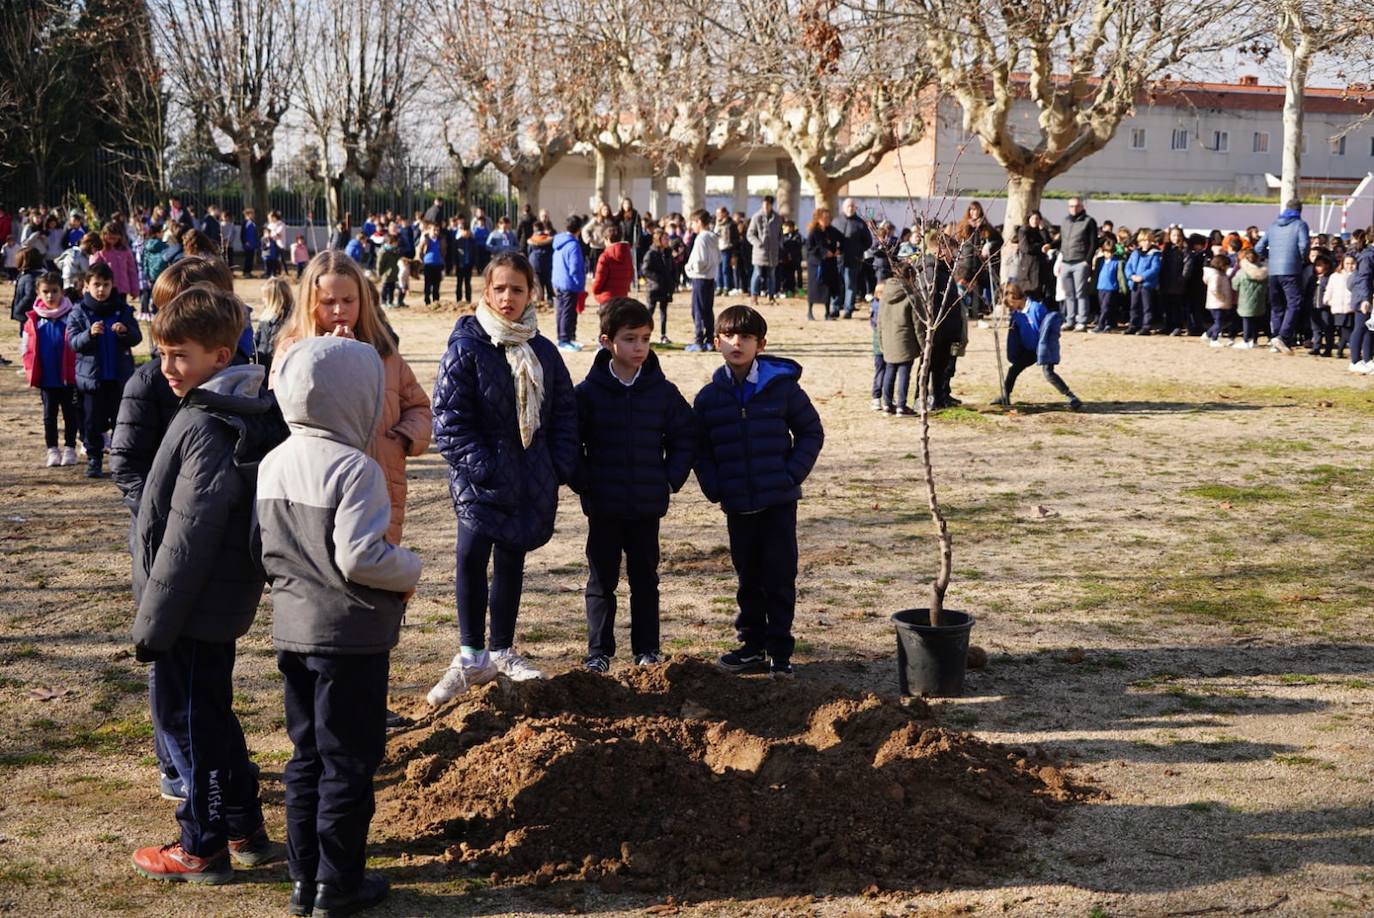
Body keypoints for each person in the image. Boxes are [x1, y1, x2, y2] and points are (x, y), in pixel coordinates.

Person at [128, 285, 288, 885]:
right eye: (161, 354)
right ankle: (244, 826)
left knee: (192, 723)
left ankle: (202, 843)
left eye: (179, 355)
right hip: (208, 605)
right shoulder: (232, 407)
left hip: (191, 609)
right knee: (212, 716)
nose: (166, 368)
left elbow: (188, 536)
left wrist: (155, 623)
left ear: (221, 357)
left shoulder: (208, 422)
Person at [257, 336, 421, 918]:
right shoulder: (357, 470)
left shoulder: (273, 461)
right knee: (349, 759)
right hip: (350, 636)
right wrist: (411, 567)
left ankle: (304, 878)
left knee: (305, 756)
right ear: (359, 399)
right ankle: (339, 882)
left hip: (292, 631)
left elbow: (265, 549)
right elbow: (361, 558)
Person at [426, 252, 578, 704]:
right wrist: (484, 468)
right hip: (481, 478)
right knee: (471, 556)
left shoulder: (544, 352)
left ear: (531, 293)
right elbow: (450, 419)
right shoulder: (467, 347)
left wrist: (556, 467)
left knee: (512, 560)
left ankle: (503, 650)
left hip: (529, 478)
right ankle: (471, 656)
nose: (508, 298)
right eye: (500, 289)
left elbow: (565, 413)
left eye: (517, 289)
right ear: (485, 293)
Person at [693, 305, 824, 680]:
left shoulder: (782, 389)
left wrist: (790, 474)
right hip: (737, 503)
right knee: (748, 577)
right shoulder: (708, 399)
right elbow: (700, 448)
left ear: (760, 344)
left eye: (747, 337)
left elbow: (811, 432)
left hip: (778, 502)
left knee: (780, 576)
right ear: (716, 342)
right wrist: (714, 485)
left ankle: (780, 652)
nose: (738, 343)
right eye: (730, 336)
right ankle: (752, 646)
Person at [271, 252, 432, 546]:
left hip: (381, 482)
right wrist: (334, 357)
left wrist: (400, 440)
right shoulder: (292, 351)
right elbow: (282, 412)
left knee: (377, 576)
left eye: (348, 301)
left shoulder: (384, 351)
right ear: (310, 303)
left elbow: (419, 407)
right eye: (328, 302)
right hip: (316, 489)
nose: (338, 310)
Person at [571, 298, 695, 672]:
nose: (639, 348)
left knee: (645, 579)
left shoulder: (662, 392)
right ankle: (599, 652)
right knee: (601, 580)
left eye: (645, 339)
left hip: (645, 505)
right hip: (604, 505)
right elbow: (569, 442)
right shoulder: (587, 394)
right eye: (629, 339)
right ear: (607, 341)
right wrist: (584, 482)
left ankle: (647, 650)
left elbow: (685, 436)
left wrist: (669, 479)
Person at [66, 262, 140, 478]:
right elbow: (73, 342)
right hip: (92, 381)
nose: (101, 289)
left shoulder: (122, 309)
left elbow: (136, 338)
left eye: (105, 284)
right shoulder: (79, 312)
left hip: (118, 378)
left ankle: (120, 461)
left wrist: (125, 331)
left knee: (121, 422)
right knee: (92, 423)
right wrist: (89, 334)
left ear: (112, 285)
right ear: (86, 286)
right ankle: (94, 458)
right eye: (96, 284)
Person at [21, 272, 80, 466]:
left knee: (70, 414)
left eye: (54, 291)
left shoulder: (72, 315)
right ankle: (52, 450)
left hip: (68, 376)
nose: (50, 296)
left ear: (62, 291)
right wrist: (29, 369)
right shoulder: (34, 319)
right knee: (49, 415)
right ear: (38, 292)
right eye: (45, 292)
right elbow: (27, 347)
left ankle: (70, 448)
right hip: (47, 377)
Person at [993, 282, 1082, 410]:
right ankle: (1005, 395)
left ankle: (1072, 397)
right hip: (1029, 350)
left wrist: (1047, 348)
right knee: (1013, 370)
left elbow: (1048, 328)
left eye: (1011, 304)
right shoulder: (1017, 314)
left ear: (1014, 297)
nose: (1011, 308)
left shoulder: (1036, 309)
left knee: (1049, 373)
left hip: (1043, 348)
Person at [1254, 199, 1311, 354]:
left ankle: (1275, 338)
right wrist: (1300, 259)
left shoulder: (1273, 226)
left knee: (1277, 305)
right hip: (1291, 270)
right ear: (1300, 210)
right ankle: (1283, 337)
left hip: (1273, 271)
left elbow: (1258, 247)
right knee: (1294, 304)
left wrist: (1271, 257)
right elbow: (1304, 245)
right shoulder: (1300, 225)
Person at [877, 271, 917, 416]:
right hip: (905, 340)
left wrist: (881, 340)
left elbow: (879, 321)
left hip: (888, 339)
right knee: (904, 373)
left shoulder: (883, 296)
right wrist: (923, 344)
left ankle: (887, 404)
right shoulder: (911, 297)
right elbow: (917, 323)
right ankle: (901, 405)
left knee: (889, 370)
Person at [1058, 197, 1098, 330]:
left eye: (1076, 206)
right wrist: (1050, 246)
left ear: (1082, 207)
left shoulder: (1089, 221)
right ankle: (1069, 320)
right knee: (1068, 293)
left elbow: (1093, 243)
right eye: (1071, 206)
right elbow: (1061, 240)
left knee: (1081, 293)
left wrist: (1087, 261)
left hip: (1080, 262)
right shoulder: (1065, 221)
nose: (1073, 209)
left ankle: (1082, 321)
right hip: (1065, 261)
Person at [684, 209, 720, 352]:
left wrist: (689, 268)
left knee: (697, 310)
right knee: (707, 310)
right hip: (710, 277)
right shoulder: (713, 237)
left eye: (693, 222)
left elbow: (699, 261)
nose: (691, 226)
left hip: (700, 277)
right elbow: (718, 258)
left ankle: (698, 341)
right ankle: (710, 340)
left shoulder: (701, 238)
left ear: (699, 222)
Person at [552, 215, 587, 351]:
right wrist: (580, 284)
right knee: (567, 312)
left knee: (561, 311)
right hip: (569, 283)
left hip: (558, 281)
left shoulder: (558, 241)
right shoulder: (573, 245)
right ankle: (564, 340)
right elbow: (575, 267)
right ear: (579, 229)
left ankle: (563, 337)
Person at [804, 207, 841, 320]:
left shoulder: (832, 231)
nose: (827, 220)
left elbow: (843, 240)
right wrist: (824, 253)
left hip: (830, 264)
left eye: (828, 218)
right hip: (816, 264)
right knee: (813, 288)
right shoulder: (814, 232)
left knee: (828, 289)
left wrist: (838, 250)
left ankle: (827, 313)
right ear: (819, 218)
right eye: (824, 218)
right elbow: (809, 248)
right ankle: (810, 311)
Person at [838, 199, 872, 317]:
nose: (850, 208)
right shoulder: (837, 221)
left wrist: (858, 249)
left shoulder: (860, 223)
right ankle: (835, 307)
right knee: (837, 284)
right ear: (843, 208)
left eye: (852, 206)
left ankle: (848, 309)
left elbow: (868, 241)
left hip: (853, 259)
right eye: (848, 206)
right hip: (838, 259)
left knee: (850, 285)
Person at [640, 229, 675, 344]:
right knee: (649, 312)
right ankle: (643, 334)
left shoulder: (668, 252)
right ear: (658, 240)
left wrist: (672, 281)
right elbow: (645, 269)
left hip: (666, 287)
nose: (667, 241)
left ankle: (663, 335)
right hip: (654, 287)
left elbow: (672, 268)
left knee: (664, 312)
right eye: (665, 239)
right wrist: (657, 278)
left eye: (667, 238)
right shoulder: (651, 253)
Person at [253, 277, 294, 374]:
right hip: (262, 362)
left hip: (278, 365)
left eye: (265, 297)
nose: (263, 300)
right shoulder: (266, 317)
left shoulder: (288, 319)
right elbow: (257, 339)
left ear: (274, 298)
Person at [746, 195, 782, 307]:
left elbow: (780, 233)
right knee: (757, 274)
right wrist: (758, 244)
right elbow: (750, 234)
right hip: (760, 252)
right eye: (764, 204)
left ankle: (771, 296)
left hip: (773, 252)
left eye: (768, 204)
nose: (766, 206)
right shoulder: (756, 217)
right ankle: (754, 296)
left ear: (772, 205)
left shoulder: (777, 218)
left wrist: (779, 243)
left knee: (772, 275)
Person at [1124, 229, 1162, 335]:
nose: (1146, 243)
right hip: (1134, 283)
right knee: (1134, 306)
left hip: (1146, 284)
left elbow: (1155, 268)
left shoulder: (1155, 254)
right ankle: (1133, 325)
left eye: (1149, 240)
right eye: (1144, 240)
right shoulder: (1135, 253)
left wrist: (1143, 276)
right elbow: (1128, 266)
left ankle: (1146, 326)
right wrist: (1131, 276)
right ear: (1139, 242)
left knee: (1147, 306)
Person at [91, 221, 140, 300]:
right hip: (106, 289)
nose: (112, 240)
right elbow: (93, 271)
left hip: (122, 289)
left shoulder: (125, 251)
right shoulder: (100, 252)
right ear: (104, 235)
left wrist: (134, 290)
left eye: (115, 238)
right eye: (110, 237)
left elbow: (132, 271)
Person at [590, 221, 634, 306]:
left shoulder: (605, 256)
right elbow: (631, 274)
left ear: (607, 239)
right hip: (622, 296)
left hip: (607, 298)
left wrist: (594, 288)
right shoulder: (627, 255)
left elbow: (599, 279)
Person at [1233, 248, 1268, 351]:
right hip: (1260, 300)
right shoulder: (1264, 272)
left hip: (1245, 300)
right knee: (1256, 320)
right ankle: (1254, 340)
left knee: (1247, 320)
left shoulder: (1242, 272)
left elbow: (1235, 285)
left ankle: (1246, 340)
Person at [1325, 252, 1356, 360]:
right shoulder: (1335, 276)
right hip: (1338, 307)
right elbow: (1330, 289)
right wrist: (1327, 300)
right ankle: (1350, 350)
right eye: (1347, 263)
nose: (1349, 266)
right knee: (1345, 330)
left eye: (1352, 263)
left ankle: (1340, 350)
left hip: (1350, 307)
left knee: (1347, 330)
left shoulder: (1356, 276)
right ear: (1342, 263)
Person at [1091, 238, 1125, 333]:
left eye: (1110, 252)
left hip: (1111, 288)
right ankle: (1108, 324)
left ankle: (1100, 325)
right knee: (1103, 307)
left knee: (1106, 307)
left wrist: (1122, 288)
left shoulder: (1116, 262)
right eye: (1106, 252)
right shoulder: (1099, 261)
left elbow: (1120, 276)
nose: (1108, 254)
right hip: (1100, 287)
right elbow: (1095, 275)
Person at [1202, 254, 1235, 347]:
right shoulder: (1216, 275)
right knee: (1219, 322)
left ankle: (1208, 334)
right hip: (1217, 303)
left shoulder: (1220, 274)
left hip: (1219, 303)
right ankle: (1214, 339)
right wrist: (1222, 297)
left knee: (1220, 321)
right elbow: (1214, 289)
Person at [525, 221, 554, 303]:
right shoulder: (548, 239)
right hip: (547, 263)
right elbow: (552, 251)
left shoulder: (531, 240)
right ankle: (550, 298)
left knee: (538, 282)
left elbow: (529, 251)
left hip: (535, 263)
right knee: (548, 282)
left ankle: (540, 299)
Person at [419, 223, 445, 305]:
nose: (436, 232)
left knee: (436, 285)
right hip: (428, 265)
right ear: (429, 230)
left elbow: (444, 251)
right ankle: (427, 300)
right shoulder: (426, 240)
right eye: (434, 230)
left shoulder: (441, 240)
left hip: (438, 264)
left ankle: (436, 301)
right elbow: (420, 251)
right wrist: (423, 260)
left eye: (437, 230)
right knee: (427, 284)